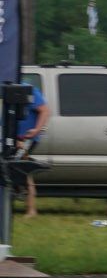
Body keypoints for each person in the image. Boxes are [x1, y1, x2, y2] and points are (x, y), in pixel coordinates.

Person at [17, 82, 51, 218]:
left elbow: (45, 110)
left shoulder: (28, 90)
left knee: (23, 171)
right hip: (10, 138)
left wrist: (36, 130)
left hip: (25, 139)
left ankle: (31, 210)